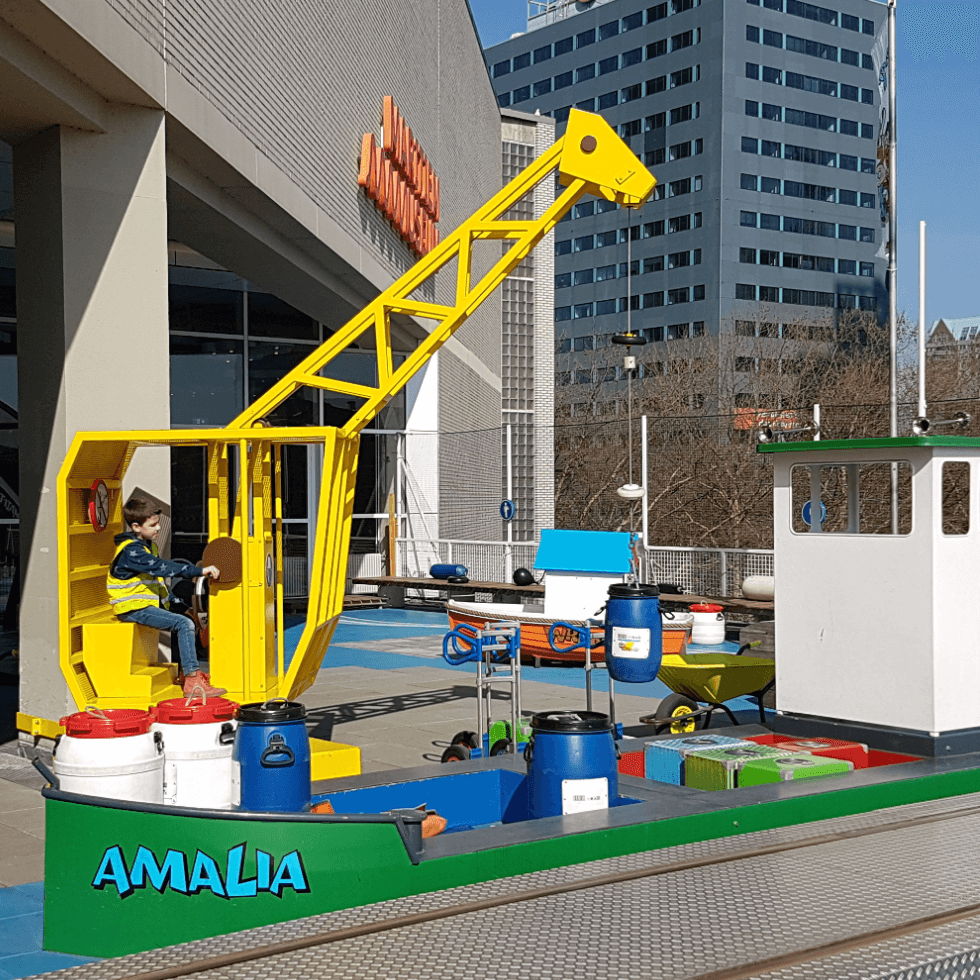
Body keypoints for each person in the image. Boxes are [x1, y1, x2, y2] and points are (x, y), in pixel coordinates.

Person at [108, 496, 225, 698]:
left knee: (187, 619)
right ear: (136, 526)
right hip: (132, 608)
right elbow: (164, 569)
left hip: (144, 604)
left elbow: (157, 582)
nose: (158, 529)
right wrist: (199, 571)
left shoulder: (147, 546)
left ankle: (184, 672)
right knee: (183, 624)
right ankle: (192, 681)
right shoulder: (132, 551)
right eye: (153, 525)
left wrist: (178, 604)